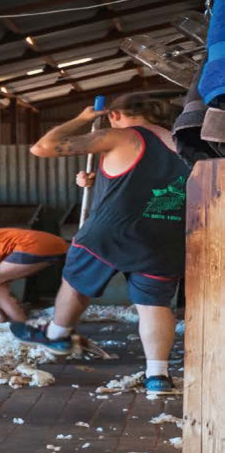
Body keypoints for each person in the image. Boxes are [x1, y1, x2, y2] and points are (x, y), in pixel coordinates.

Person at [12, 92, 189, 397]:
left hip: (110, 233)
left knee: (75, 281)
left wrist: (82, 120)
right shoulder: (185, 146)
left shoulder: (122, 136)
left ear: (115, 115)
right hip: (166, 236)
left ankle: (57, 334)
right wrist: (98, 181)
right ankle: (158, 376)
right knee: (154, 306)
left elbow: (43, 147)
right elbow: (144, 180)